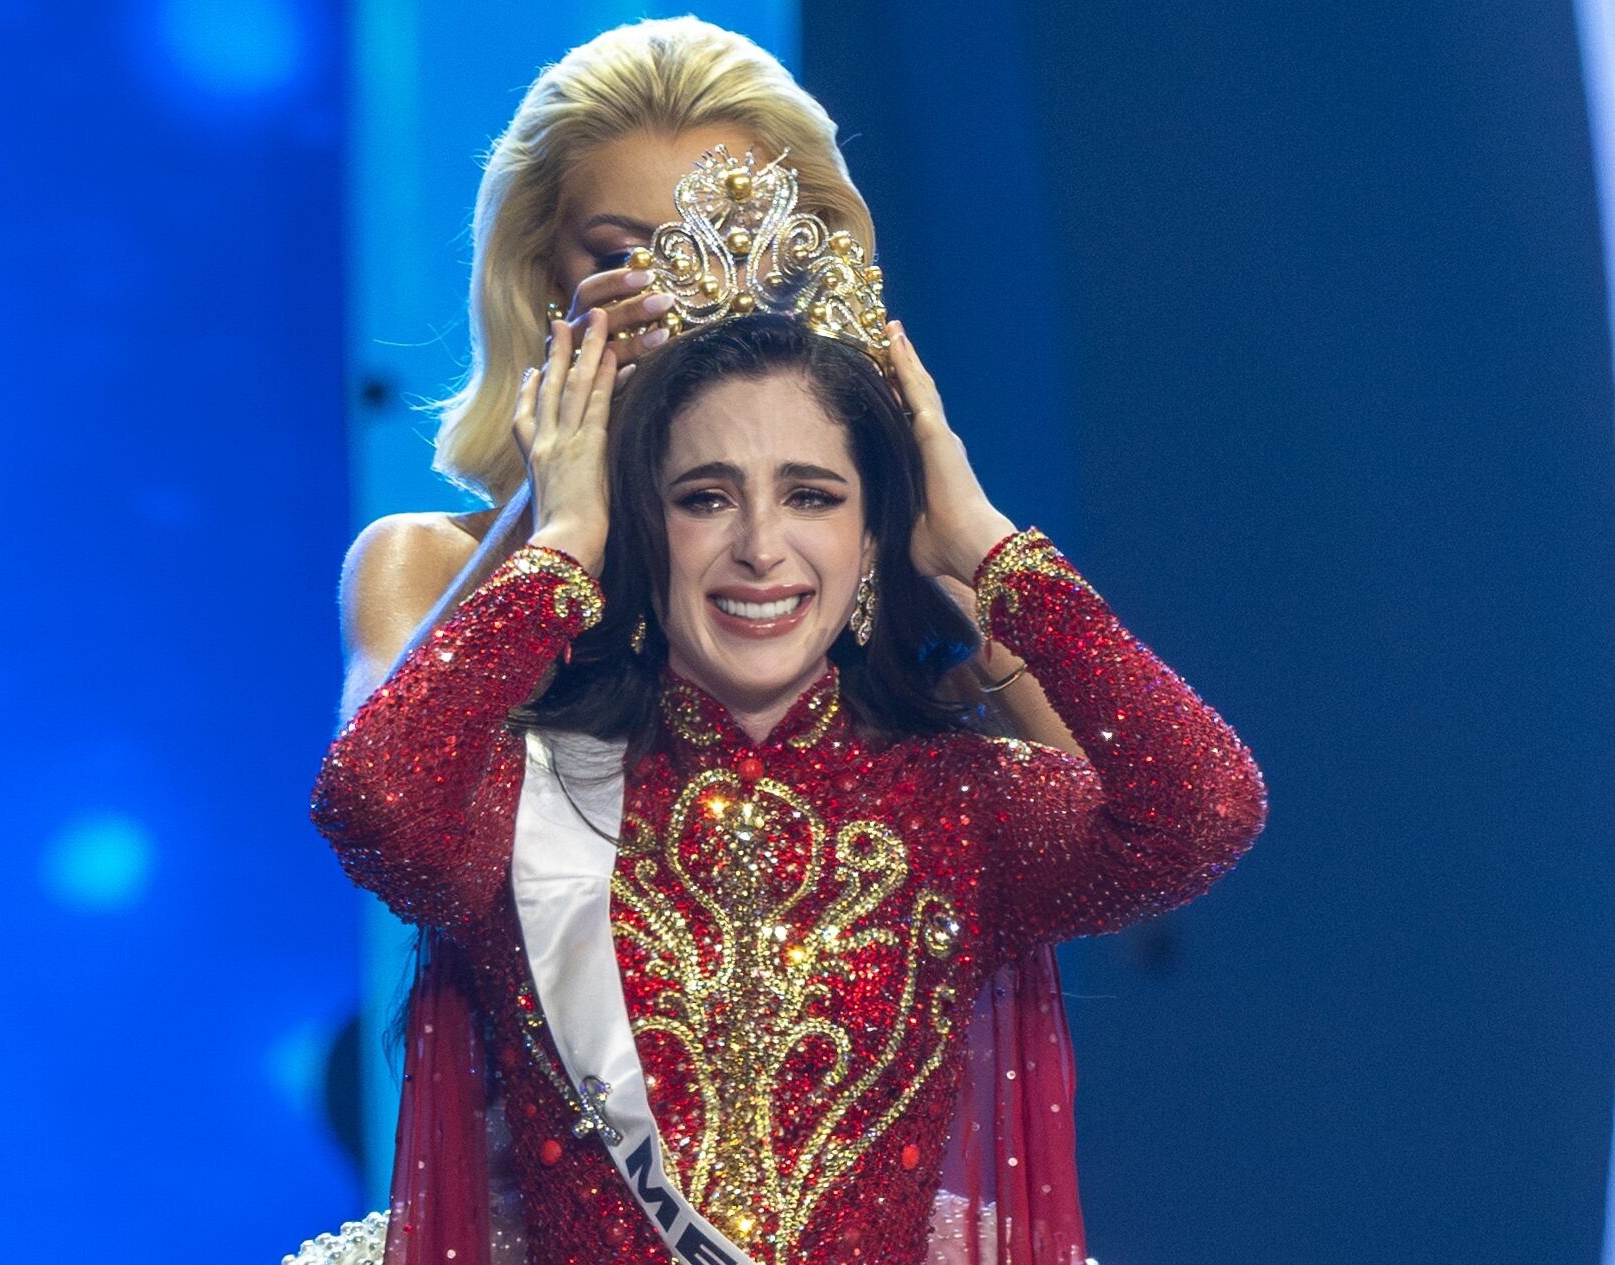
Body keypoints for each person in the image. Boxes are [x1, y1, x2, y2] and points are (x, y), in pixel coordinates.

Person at [294, 193, 1270, 1262]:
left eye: (811, 495)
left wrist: (987, 546)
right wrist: (563, 537)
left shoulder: (962, 805)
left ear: (876, 536)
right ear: (642, 531)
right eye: (705, 497)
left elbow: (1205, 807)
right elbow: (376, 799)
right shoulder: (530, 798)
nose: (761, 547)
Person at [341, 16, 1080, 758]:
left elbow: (1124, 796)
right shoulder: (425, 562)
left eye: (733, 244)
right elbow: (379, 790)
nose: (683, 303)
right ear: (545, 284)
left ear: (810, 266)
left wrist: (956, 540)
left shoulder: (891, 564)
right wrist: (555, 523)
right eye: (628, 259)